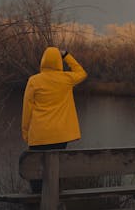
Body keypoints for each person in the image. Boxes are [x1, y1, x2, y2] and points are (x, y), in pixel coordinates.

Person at [21, 47, 87, 192]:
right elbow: (82, 73)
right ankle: (53, 205)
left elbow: (27, 109)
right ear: (58, 62)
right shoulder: (66, 79)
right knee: (55, 171)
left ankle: (39, 207)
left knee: (36, 172)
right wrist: (66, 55)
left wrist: (25, 132)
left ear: (43, 61)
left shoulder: (34, 81)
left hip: (39, 135)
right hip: (60, 136)